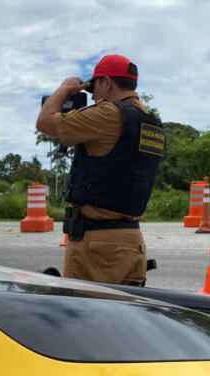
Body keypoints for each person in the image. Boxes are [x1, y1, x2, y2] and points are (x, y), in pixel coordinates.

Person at [35, 54, 164, 285]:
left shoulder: (108, 114)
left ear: (107, 82)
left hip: (99, 246)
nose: (92, 95)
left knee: (87, 316)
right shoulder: (150, 121)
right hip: (132, 242)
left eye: (93, 86)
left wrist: (65, 88)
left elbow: (44, 122)